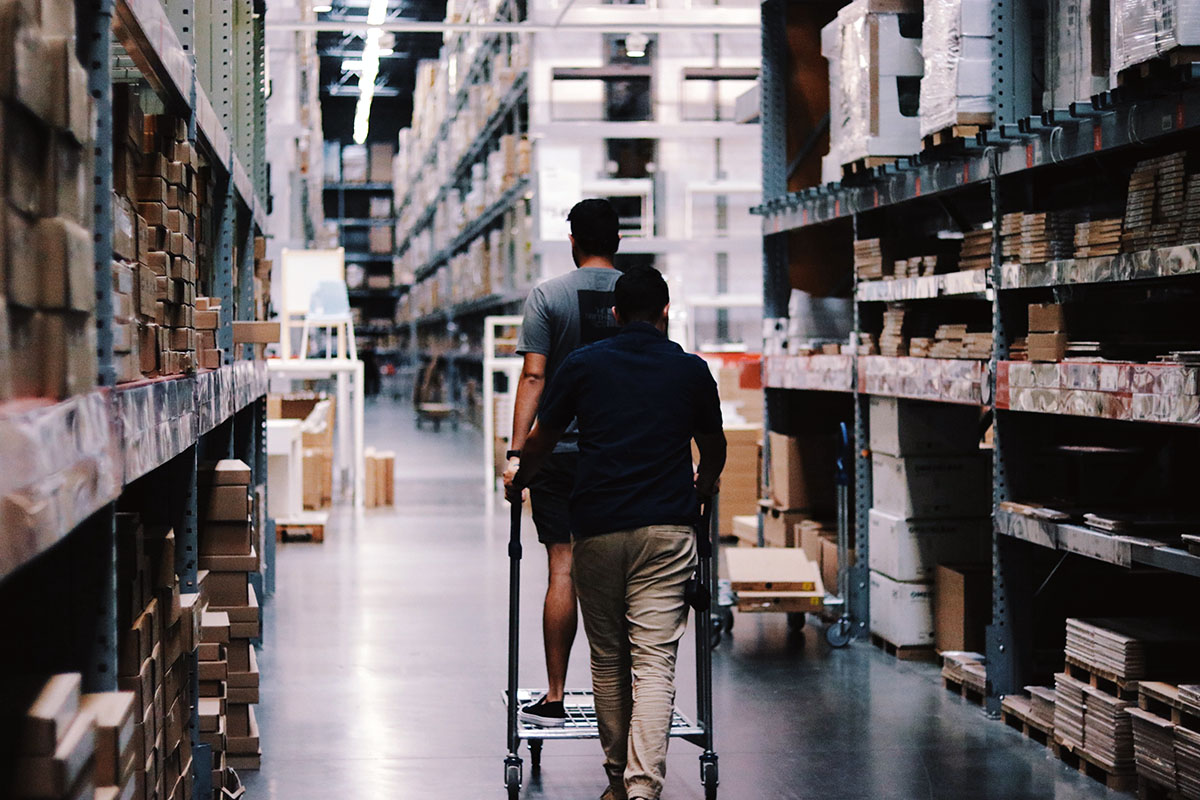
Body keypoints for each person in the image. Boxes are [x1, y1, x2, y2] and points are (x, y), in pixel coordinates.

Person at [506, 266, 727, 800]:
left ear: (614, 314)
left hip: (598, 529)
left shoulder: (583, 366)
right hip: (668, 530)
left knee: (608, 661)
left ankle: (614, 781)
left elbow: (542, 439)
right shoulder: (691, 370)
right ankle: (642, 789)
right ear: (666, 312)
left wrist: (520, 476)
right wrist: (703, 486)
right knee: (654, 662)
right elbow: (714, 446)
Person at [505, 199, 623, 726]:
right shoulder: (639, 294)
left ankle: (555, 696)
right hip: (619, 454)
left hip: (558, 454)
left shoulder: (548, 296)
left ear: (572, 240)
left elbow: (534, 377)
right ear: (617, 241)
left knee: (563, 567)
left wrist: (515, 453)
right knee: (621, 571)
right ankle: (621, 694)